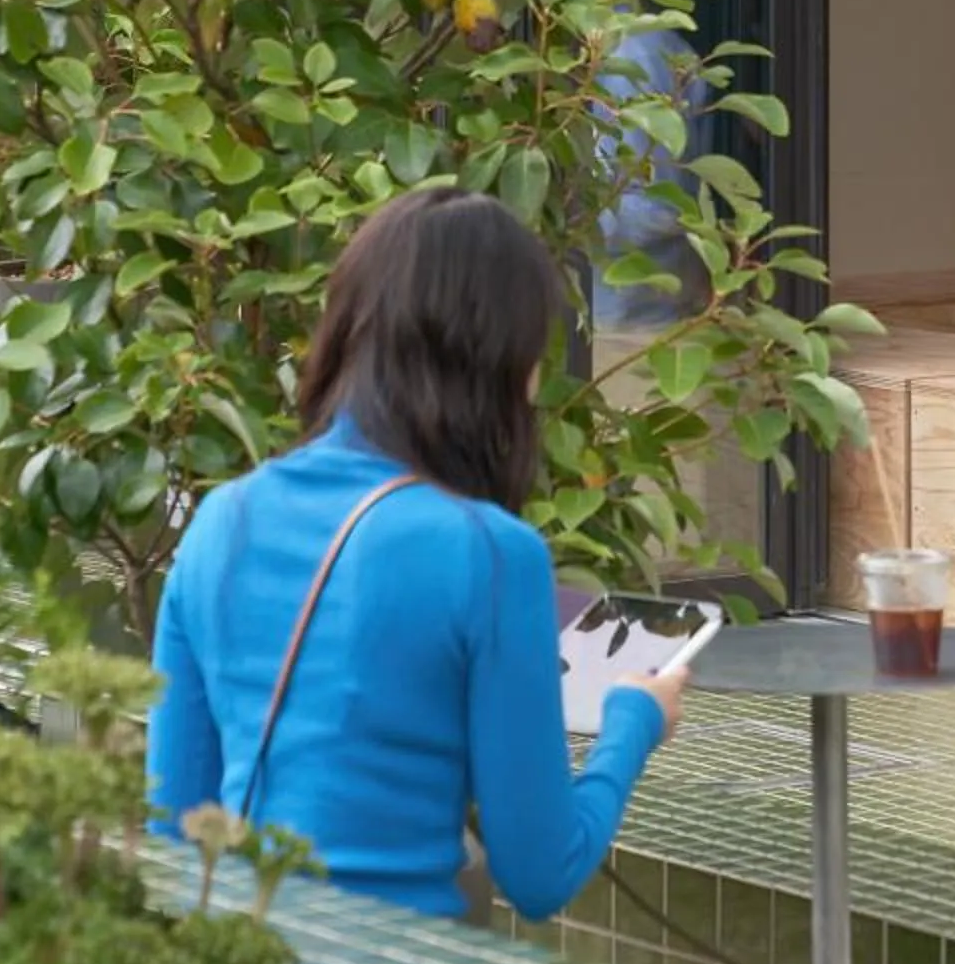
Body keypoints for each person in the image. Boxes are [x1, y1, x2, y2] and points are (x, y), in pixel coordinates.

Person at [145, 185, 682, 924]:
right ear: (495, 359)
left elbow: (175, 836)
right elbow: (541, 872)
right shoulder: (491, 556)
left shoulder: (219, 522)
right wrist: (633, 722)